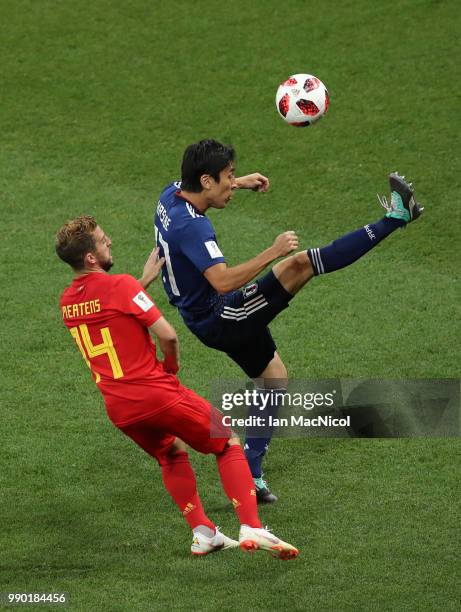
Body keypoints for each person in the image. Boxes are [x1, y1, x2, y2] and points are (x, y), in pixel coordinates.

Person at [153, 139, 424, 502]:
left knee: (274, 378)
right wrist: (274, 250)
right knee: (300, 263)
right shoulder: (194, 229)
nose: (231, 184)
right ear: (205, 181)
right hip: (222, 315)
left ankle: (250, 472)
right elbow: (222, 280)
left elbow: (198, 191)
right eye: (227, 177)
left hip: (201, 314)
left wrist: (241, 181)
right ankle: (396, 218)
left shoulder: (170, 196)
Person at [55, 215, 298, 560]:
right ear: (91, 257)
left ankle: (203, 532)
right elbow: (167, 335)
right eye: (103, 240)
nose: (109, 241)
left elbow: (107, 311)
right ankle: (251, 525)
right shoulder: (121, 286)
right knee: (226, 439)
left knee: (170, 453)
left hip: (119, 408)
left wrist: (141, 284)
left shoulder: (68, 301)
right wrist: (170, 368)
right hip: (155, 391)